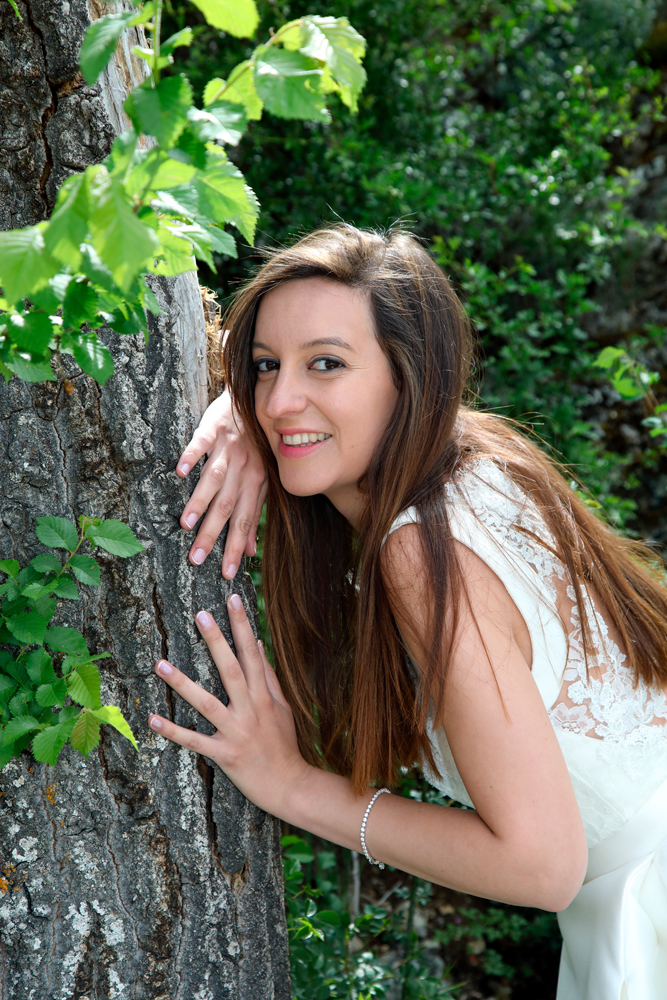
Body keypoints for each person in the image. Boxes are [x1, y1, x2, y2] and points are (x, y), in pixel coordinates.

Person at [148, 224, 667, 1000]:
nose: (282, 397)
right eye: (265, 367)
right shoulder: (485, 464)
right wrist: (239, 410)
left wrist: (291, 784)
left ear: (408, 376)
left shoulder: (421, 553)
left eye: (325, 363)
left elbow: (540, 866)